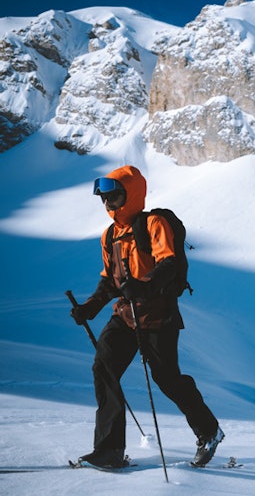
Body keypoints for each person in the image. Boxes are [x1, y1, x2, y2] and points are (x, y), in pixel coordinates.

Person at [70, 165, 224, 469]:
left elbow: (168, 264)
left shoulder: (154, 223)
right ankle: (109, 450)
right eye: (104, 198)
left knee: (167, 379)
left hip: (158, 316)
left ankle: (209, 431)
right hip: (125, 317)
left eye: (113, 197)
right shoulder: (110, 236)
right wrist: (91, 307)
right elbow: (110, 282)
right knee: (104, 368)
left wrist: (144, 286)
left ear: (131, 195)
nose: (107, 204)